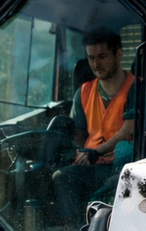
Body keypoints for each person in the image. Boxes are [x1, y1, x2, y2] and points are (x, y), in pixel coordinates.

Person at [53, 27, 136, 216]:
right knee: (61, 176)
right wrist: (77, 152)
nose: (96, 64)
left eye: (102, 56)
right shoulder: (83, 92)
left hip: (125, 166)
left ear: (119, 54)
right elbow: (79, 132)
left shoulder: (137, 86)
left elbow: (127, 131)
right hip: (94, 166)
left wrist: (95, 152)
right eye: (91, 58)